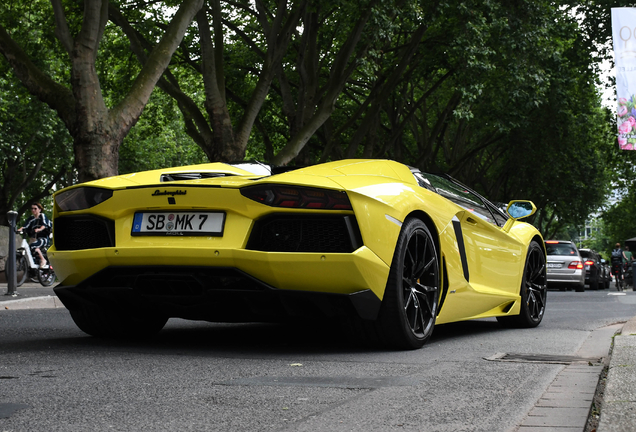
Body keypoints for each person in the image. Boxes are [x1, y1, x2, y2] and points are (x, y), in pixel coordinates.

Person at [19, 202, 52, 269]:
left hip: (44, 238)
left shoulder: (42, 215)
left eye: (35, 208)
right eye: (32, 209)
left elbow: (44, 225)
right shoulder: (31, 218)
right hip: (35, 238)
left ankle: (43, 260)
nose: (33, 210)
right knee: (29, 249)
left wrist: (39, 229)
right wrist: (18, 230)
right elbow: (25, 226)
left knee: (33, 245)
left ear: (39, 209)